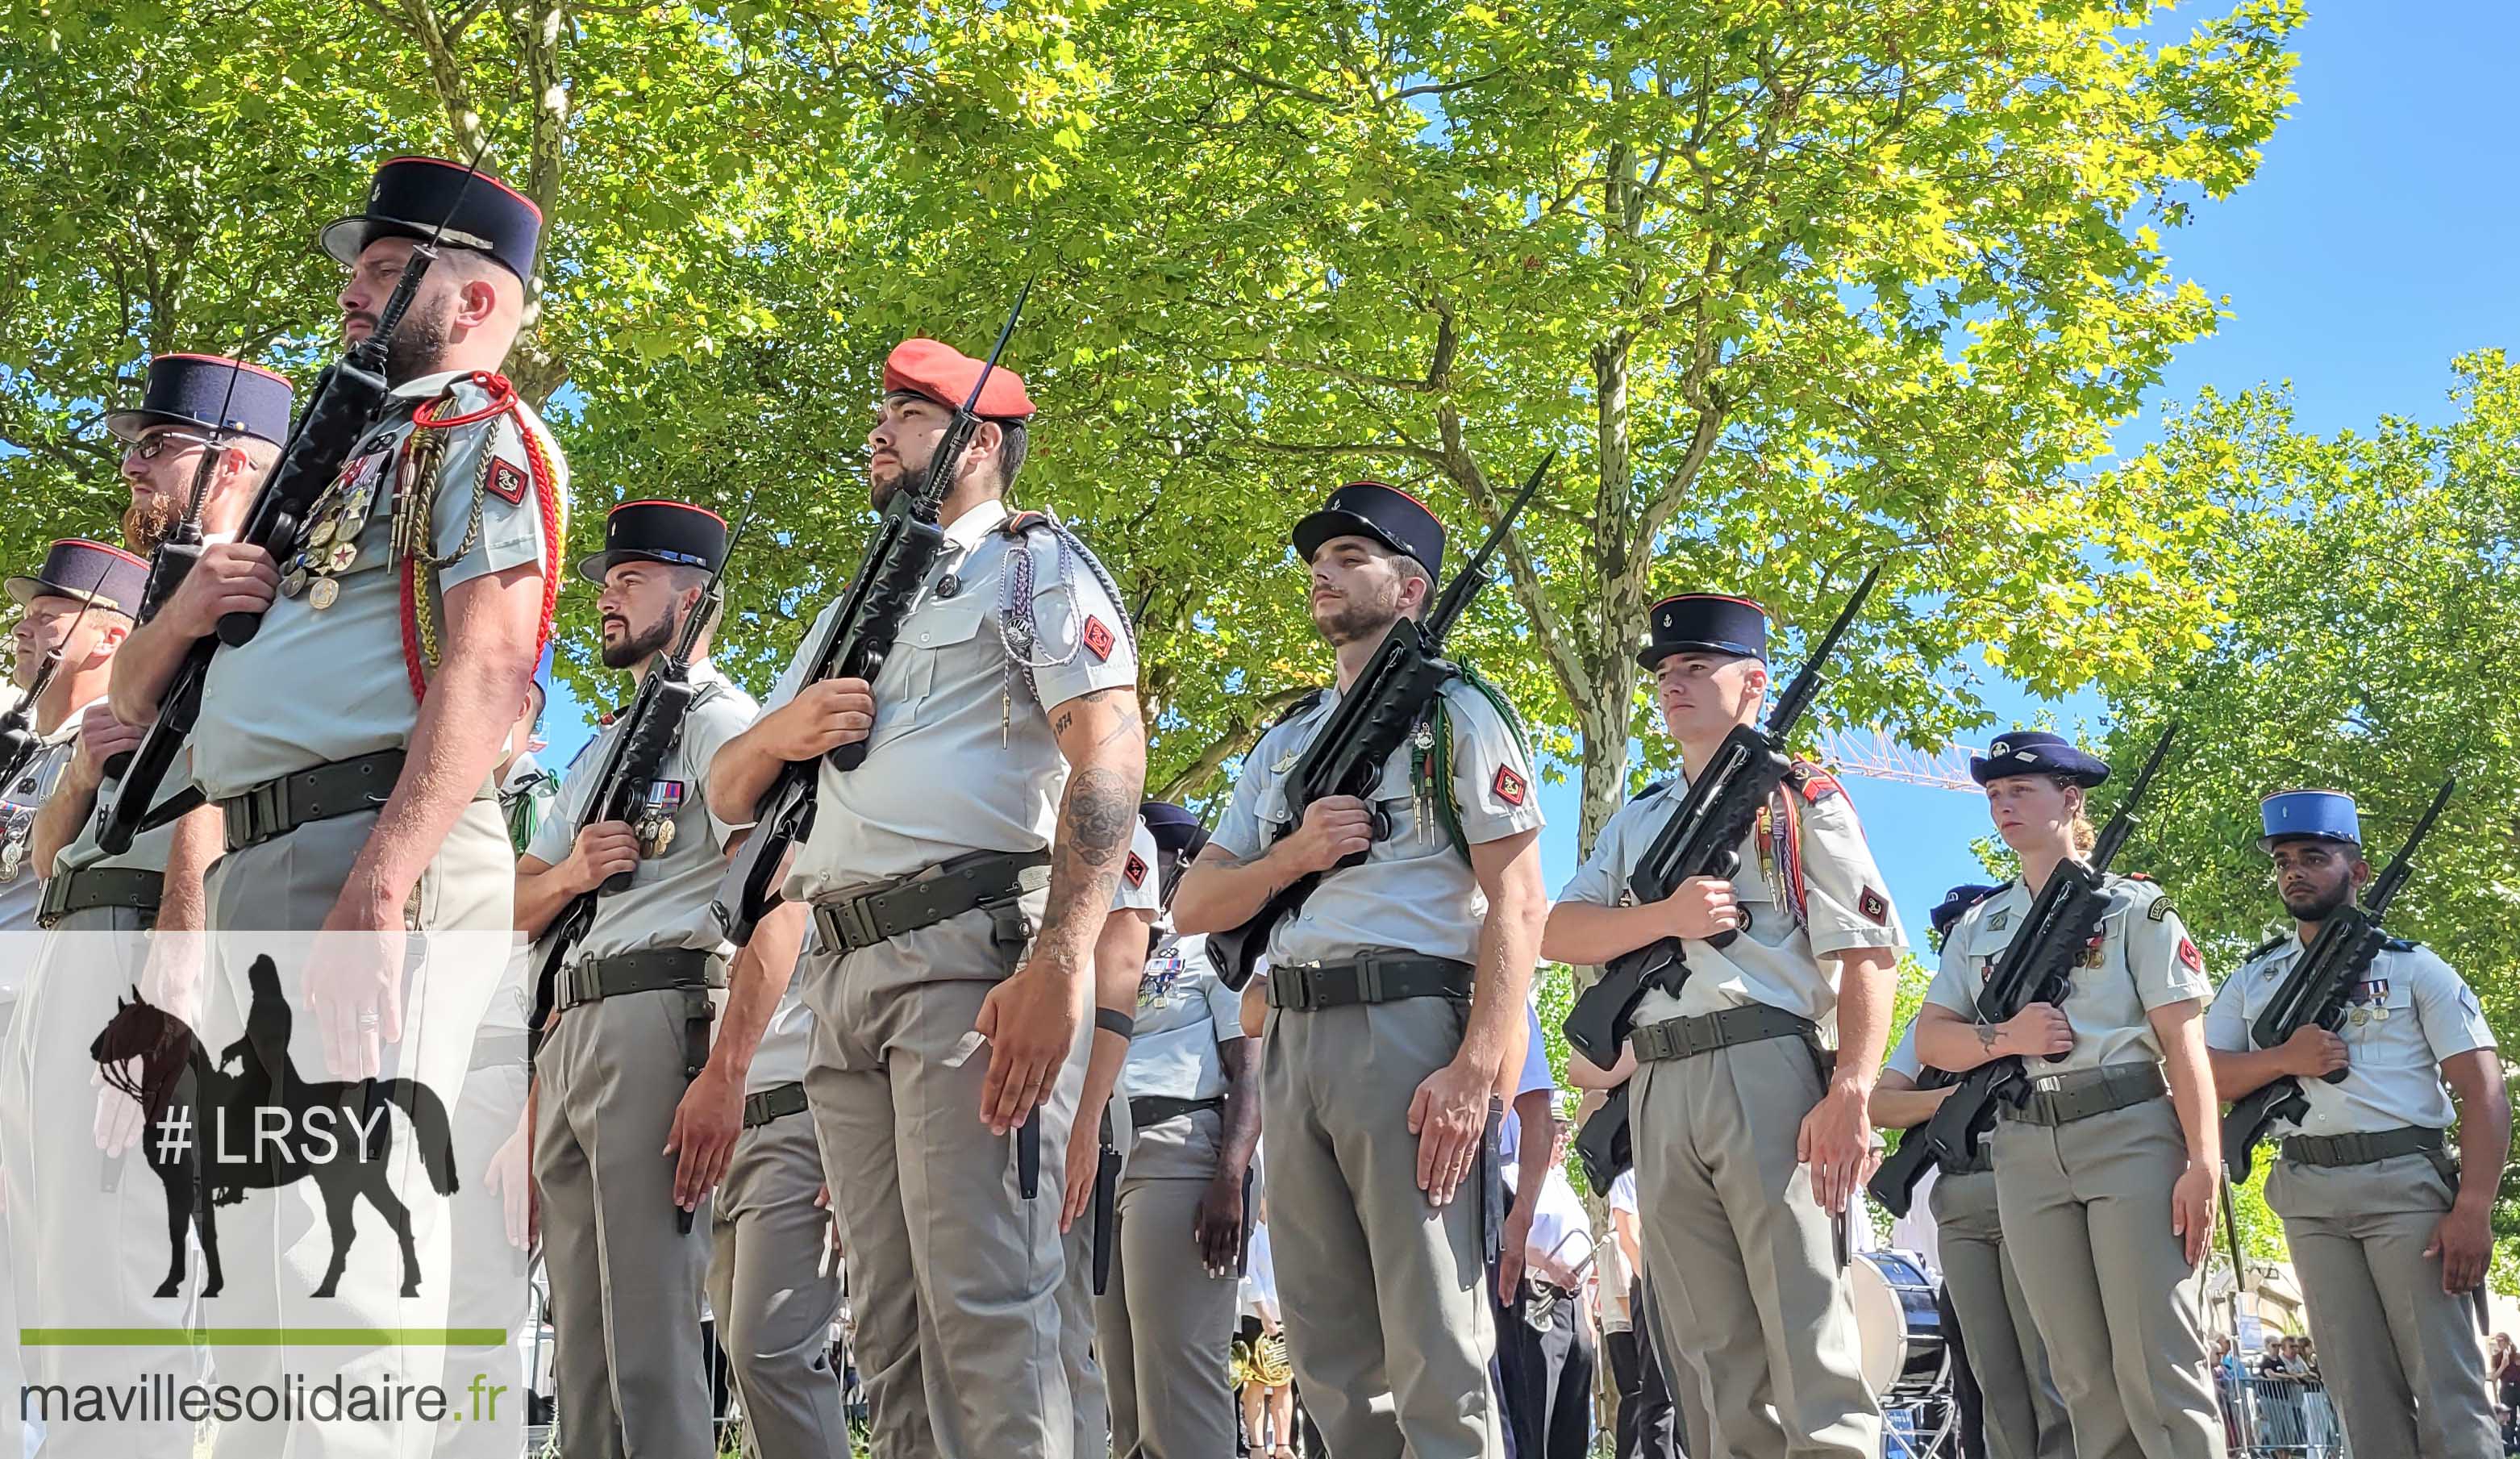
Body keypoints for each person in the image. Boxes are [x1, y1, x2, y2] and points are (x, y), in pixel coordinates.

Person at [708, 335, 1145, 1458]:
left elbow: (1108, 755)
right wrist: (780, 731)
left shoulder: (1033, 567)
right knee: (891, 1330)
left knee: (988, 1311)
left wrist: (1059, 961)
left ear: (979, 444)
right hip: (841, 975)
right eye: (883, 415)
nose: (878, 433)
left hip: (969, 957)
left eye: (906, 416)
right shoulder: (852, 606)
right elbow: (726, 793)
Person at [108, 152, 564, 958]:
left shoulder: (474, 430)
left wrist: (383, 885)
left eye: (387, 273)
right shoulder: (335, 461)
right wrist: (185, 611)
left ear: (476, 301)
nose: (351, 294)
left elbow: (491, 665)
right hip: (259, 854)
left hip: (369, 846)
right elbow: (135, 704)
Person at [1174, 479, 1549, 1459]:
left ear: (1413, 590)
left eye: (1351, 559)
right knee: (1329, 1349)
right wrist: (1291, 856)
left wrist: (1480, 1068)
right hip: (1292, 1036)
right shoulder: (1289, 741)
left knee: (1434, 1339)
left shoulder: (1457, 712)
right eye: (1317, 562)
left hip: (1408, 1026)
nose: (1323, 575)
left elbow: (1517, 901)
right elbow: (1195, 908)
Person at [1547, 591, 1901, 1459]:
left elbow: (1867, 952)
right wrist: (1663, 917)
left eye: (1696, 669)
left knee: (1806, 1323)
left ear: (1754, 684)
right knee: (1707, 1353)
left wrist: (1851, 1089)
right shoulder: (1640, 813)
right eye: (1666, 673)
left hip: (1764, 1065)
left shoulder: (1798, 799)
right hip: (1659, 1079)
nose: (1673, 685)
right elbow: (1559, 931)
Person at [519, 500, 760, 1458]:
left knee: (650, 1341)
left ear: (692, 598)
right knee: (578, 1347)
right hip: (571, 1026)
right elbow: (511, 898)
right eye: (608, 582)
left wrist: (727, 1072)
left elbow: (769, 890)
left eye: (630, 582)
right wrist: (574, 873)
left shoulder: (721, 723)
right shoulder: (607, 744)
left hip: (659, 1013)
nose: (607, 601)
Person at [1913, 729, 2225, 1459]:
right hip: (2025, 1145)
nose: (2003, 806)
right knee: (2079, 1374)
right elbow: (1932, 1040)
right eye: (1993, 794)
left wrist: (2202, 1161)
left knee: (2158, 1364)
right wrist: (2007, 1038)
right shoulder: (1981, 925)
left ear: (2071, 799)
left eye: (2020, 790)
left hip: (2129, 1129)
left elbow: (2185, 1046)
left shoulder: (2132, 909)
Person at [2206, 788, 2505, 1459]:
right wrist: (2283, 1058)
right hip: (2307, 1191)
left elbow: (2481, 1089)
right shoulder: (2256, 976)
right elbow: (2202, 1076)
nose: (2294, 871)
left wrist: (2475, 1207)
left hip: (2405, 1189)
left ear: (2358, 871)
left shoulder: (2413, 966)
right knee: (2356, 1393)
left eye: (2314, 856)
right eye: (2283, 859)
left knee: (2448, 1388)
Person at [0, 539, 147, 1459]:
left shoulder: (116, 739)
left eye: (52, 613)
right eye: (28, 609)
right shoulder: (17, 737)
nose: (27, 625)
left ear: (111, 636)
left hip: (41, 1002)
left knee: (52, 1243)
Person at [1869, 884, 2073, 1459]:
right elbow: (1880, 1105)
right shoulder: (1933, 1030)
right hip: (1963, 1200)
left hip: (2034, 1185)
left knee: (2051, 1375)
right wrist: (1953, 1101)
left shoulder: (2037, 1010)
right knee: (1987, 1382)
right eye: (1949, 933)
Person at [1092, 800, 1262, 1459]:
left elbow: (1247, 1068)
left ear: (1180, 863)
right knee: (1123, 1376)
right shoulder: (1113, 949)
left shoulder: (1213, 948)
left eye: (1140, 855)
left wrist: (1230, 1177)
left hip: (1180, 1151)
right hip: (1107, 1154)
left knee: (1177, 1374)